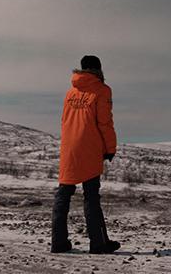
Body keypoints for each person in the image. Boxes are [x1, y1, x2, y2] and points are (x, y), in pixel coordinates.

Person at [50, 54, 120, 254]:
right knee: (91, 195)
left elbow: (64, 120)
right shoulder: (102, 90)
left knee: (63, 194)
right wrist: (110, 148)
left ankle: (58, 242)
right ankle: (98, 243)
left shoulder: (70, 92)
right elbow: (104, 123)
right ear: (98, 69)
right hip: (89, 147)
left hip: (69, 147)